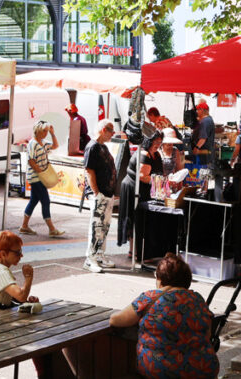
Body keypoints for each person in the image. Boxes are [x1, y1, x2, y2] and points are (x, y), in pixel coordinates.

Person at [109, 252, 219, 378]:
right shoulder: (197, 299)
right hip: (203, 368)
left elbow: (115, 320)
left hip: (162, 371)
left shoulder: (149, 298)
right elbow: (208, 334)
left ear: (160, 279)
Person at [20, 121, 66, 238]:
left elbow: (55, 146)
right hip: (36, 177)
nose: (45, 133)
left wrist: (52, 133)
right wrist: (41, 173)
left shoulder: (43, 143)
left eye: (46, 131)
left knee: (34, 201)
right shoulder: (33, 143)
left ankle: (24, 226)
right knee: (45, 201)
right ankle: (51, 229)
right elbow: (31, 160)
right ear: (38, 131)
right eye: (44, 131)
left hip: (39, 176)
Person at [83, 121, 118, 273]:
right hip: (100, 194)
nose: (113, 134)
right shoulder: (93, 147)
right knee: (96, 226)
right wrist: (96, 193)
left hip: (106, 194)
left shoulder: (102, 146)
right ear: (104, 130)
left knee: (104, 226)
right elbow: (89, 171)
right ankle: (90, 258)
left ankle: (99, 254)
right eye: (111, 131)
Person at [0, 230, 39, 315]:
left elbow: (13, 295)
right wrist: (28, 277)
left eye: (20, 251)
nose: (21, 255)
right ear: (3, 254)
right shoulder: (1, 272)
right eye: (17, 253)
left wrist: (27, 301)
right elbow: (21, 297)